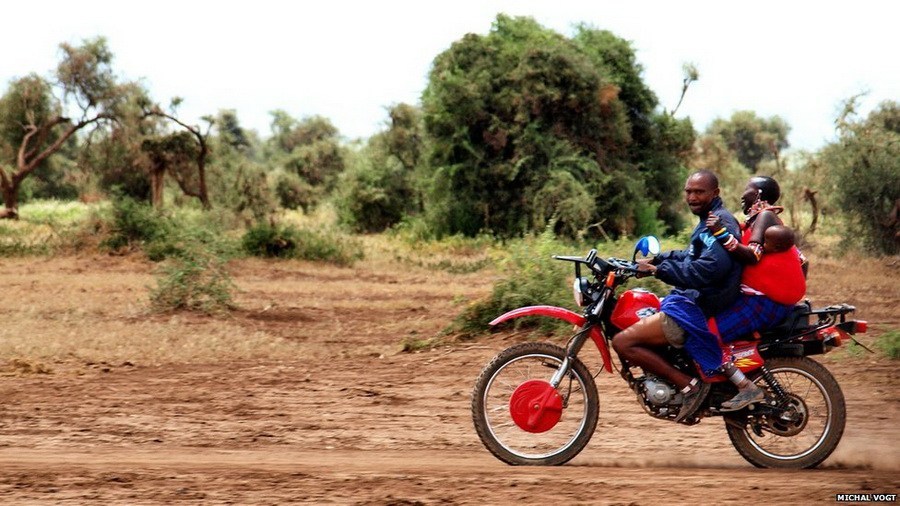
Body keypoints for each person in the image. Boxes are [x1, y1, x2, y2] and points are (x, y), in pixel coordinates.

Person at [612, 170, 742, 422]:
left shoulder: (721, 223)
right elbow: (692, 255)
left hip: (704, 302)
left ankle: (690, 386)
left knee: (623, 342)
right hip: (700, 297)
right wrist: (658, 259)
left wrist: (659, 271)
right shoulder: (708, 220)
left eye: (699, 191)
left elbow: (708, 269)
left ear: (715, 193)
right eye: (688, 191)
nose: (692, 196)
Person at [705, 176, 807, 411]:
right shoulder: (755, 221)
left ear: (759, 194)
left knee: (708, 333)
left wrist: (720, 232)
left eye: (747, 190)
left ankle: (745, 387)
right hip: (759, 299)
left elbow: (752, 255)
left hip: (762, 302)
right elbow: (802, 261)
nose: (742, 195)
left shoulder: (765, 216)